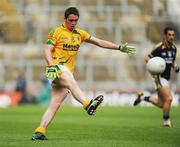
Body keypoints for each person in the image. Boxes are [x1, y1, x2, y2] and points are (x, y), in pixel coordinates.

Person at [32, 7, 136, 140]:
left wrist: (119, 47)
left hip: (67, 71)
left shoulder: (80, 34)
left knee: (55, 103)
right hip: (56, 68)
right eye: (71, 20)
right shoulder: (57, 32)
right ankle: (87, 104)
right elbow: (47, 49)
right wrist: (52, 66)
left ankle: (40, 131)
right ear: (65, 19)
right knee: (71, 81)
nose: (73, 23)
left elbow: (99, 42)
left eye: (76, 20)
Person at [133, 27, 179, 127]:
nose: (171, 37)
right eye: (169, 35)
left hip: (167, 78)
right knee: (169, 99)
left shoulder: (174, 48)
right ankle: (166, 122)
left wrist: (175, 67)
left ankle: (142, 98)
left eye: (173, 35)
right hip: (159, 78)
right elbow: (147, 57)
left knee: (161, 103)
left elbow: (172, 61)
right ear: (165, 35)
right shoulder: (159, 47)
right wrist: (154, 68)